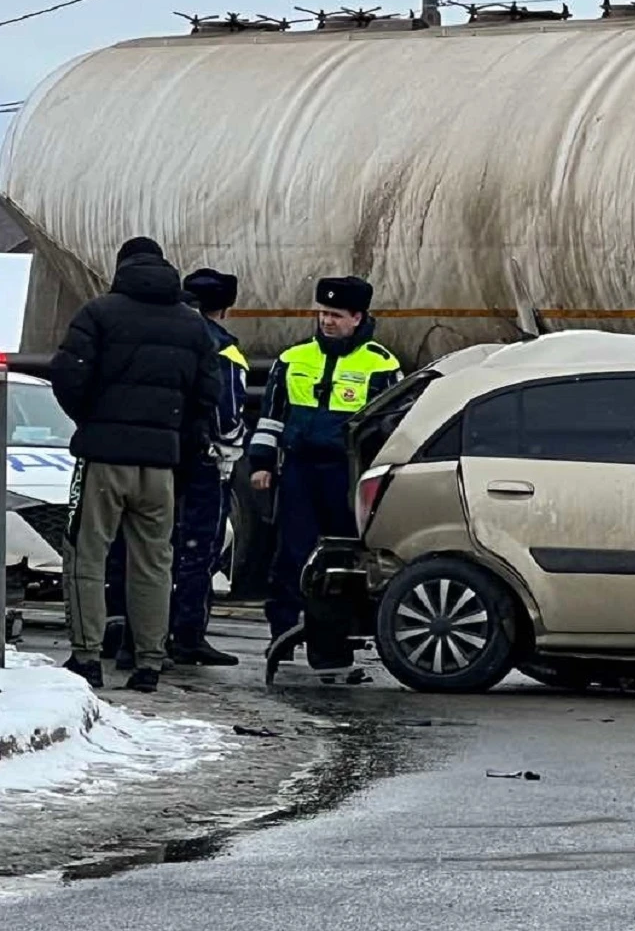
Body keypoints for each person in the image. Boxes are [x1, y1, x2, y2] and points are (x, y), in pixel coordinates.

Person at [52, 237, 221, 692]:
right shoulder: (192, 326)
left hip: (103, 460)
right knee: (154, 563)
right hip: (160, 466)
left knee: (86, 555)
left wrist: (91, 421)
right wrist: (175, 440)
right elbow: (207, 396)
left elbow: (68, 375)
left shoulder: (98, 313)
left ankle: (87, 656)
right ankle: (149, 662)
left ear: (120, 268)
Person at [251, 276, 401, 680]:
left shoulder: (381, 363)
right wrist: (261, 463)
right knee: (291, 555)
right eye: (322, 313)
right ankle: (281, 633)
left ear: (358, 317)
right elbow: (271, 417)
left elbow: (391, 428)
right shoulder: (293, 359)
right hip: (299, 469)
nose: (327, 322)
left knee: (342, 562)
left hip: (347, 474)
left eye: (335, 315)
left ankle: (332, 648)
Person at [167, 268, 250, 666]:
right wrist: (229, 447)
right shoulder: (223, 349)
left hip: (166, 456)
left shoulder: (170, 337)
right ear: (225, 308)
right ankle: (188, 635)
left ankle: (146, 630)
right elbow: (227, 412)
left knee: (157, 547)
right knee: (200, 549)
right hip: (206, 462)